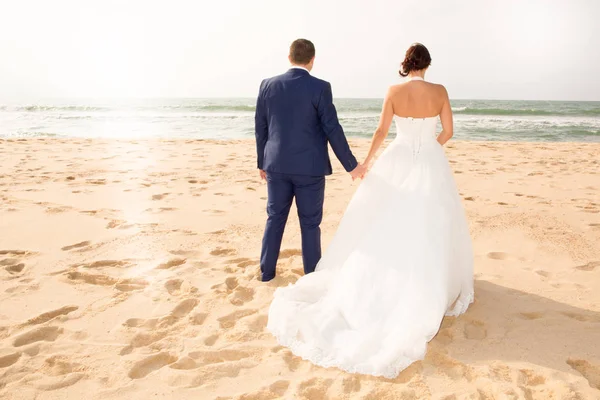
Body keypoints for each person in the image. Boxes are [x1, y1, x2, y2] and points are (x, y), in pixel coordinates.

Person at [266, 43, 474, 378]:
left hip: (399, 156)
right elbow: (448, 131)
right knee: (432, 221)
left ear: (406, 64)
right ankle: (428, 280)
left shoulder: (393, 90)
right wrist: (429, 151)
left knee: (386, 219)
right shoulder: (440, 91)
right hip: (429, 163)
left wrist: (366, 162)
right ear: (428, 64)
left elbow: (381, 131)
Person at [255, 38, 366, 283]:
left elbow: (260, 127)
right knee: (310, 224)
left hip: (276, 165)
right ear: (312, 60)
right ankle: (311, 278)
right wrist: (352, 165)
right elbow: (332, 129)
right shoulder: (320, 87)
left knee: (275, 218)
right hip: (309, 169)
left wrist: (261, 161)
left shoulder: (267, 85)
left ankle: (267, 273)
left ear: (289, 58)